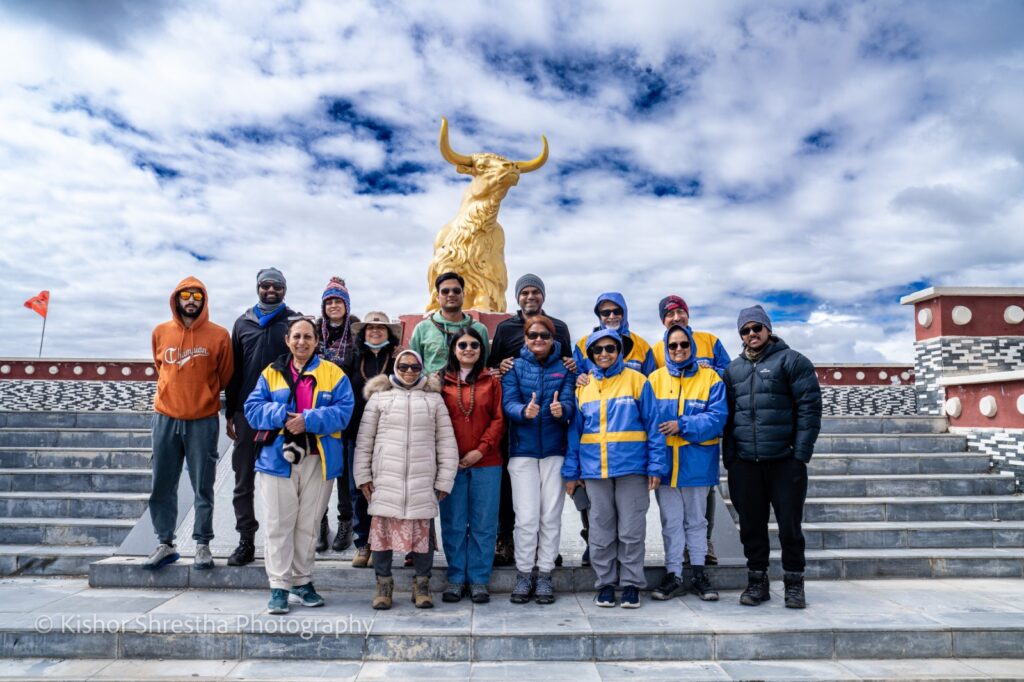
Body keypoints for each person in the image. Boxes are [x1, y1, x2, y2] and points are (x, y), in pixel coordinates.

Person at [243, 316, 355, 615]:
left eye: (308, 337)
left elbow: (344, 413)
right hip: (276, 459)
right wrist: (282, 416)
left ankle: (303, 582)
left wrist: (309, 420)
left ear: (317, 341)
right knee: (279, 524)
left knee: (308, 525)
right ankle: (279, 586)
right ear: (287, 340)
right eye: (296, 337)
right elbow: (252, 409)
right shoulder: (271, 373)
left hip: (319, 459)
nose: (302, 342)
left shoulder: (334, 374)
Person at [723, 305, 822, 609]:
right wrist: (731, 460)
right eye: (745, 330)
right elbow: (727, 417)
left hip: (784, 461)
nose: (751, 334)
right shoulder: (733, 370)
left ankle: (794, 584)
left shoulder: (792, 361)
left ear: (768, 328)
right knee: (751, 526)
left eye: (756, 328)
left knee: (789, 526)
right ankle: (757, 582)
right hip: (745, 463)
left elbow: (810, 408)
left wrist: (800, 455)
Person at [563, 329, 665, 609]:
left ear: (620, 351)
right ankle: (605, 583)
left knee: (631, 529)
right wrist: (572, 473)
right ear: (591, 355)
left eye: (610, 348)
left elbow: (654, 426)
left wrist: (656, 464)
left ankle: (631, 584)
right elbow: (575, 434)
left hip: (632, 468)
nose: (604, 354)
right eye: (598, 350)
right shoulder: (582, 386)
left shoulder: (638, 381)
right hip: (595, 471)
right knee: (600, 530)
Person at [354, 349, 458, 610]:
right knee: (381, 537)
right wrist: (363, 475)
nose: (409, 371)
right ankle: (384, 586)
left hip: (422, 479)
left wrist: (445, 480)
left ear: (421, 369)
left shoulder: (433, 400)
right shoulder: (379, 398)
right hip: (386, 478)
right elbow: (364, 441)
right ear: (395, 368)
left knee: (422, 538)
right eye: (403, 367)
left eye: (414, 367)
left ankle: (421, 585)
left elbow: (446, 443)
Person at [143, 277, 233, 571]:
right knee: (162, 484)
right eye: (186, 295)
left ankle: (202, 544)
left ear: (204, 299)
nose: (191, 300)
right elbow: (161, 369)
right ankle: (165, 543)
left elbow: (225, 375)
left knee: (202, 486)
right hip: (166, 417)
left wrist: (202, 395)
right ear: (177, 299)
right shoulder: (160, 332)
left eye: (197, 295)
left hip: (203, 420)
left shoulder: (219, 335)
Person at [487, 273, 575, 567]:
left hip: (551, 425)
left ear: (543, 296)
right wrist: (500, 366)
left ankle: (546, 550)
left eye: (535, 292)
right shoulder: (505, 328)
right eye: (524, 292)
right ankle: (506, 540)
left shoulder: (559, 327)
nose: (530, 297)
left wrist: (572, 368)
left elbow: (568, 366)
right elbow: (493, 365)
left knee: (549, 504)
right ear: (517, 297)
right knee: (512, 489)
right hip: (517, 421)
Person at [648, 325, 728, 602]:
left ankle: (698, 573)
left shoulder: (711, 378)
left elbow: (717, 418)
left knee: (696, 521)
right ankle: (674, 574)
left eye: (684, 344)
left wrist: (681, 425)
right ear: (666, 348)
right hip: (666, 465)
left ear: (692, 346)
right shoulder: (654, 379)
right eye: (673, 346)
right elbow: (649, 424)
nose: (679, 350)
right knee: (670, 522)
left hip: (697, 464)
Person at [224, 267, 296, 566]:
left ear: (284, 290)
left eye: (276, 286)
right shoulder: (243, 323)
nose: (271, 290)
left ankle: (287, 541)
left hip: (282, 411)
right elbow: (235, 369)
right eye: (265, 285)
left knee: (288, 477)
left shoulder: (293, 321)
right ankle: (245, 540)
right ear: (258, 288)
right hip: (246, 413)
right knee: (243, 479)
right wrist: (230, 411)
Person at [502, 315, 576, 604]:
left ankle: (544, 574)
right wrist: (523, 411)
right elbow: (508, 402)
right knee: (527, 518)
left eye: (544, 336)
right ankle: (523, 573)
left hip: (554, 452)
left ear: (553, 338)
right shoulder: (515, 367)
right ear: (525, 338)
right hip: (523, 452)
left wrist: (563, 410)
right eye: (533, 335)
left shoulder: (565, 368)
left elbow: (570, 402)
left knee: (550, 517)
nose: (538, 340)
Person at [438, 328, 505, 604]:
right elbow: (435, 422)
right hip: (451, 464)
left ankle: (478, 579)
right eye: (462, 344)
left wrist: (481, 450)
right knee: (453, 522)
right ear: (453, 349)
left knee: (484, 522)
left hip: (487, 462)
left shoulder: (492, 381)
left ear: (481, 350)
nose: (468, 349)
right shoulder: (441, 382)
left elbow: (499, 419)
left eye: (474, 345)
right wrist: (450, 455)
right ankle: (455, 578)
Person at [342, 311, 402, 568]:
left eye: (381, 328)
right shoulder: (353, 360)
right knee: (359, 489)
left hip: (391, 435)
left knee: (388, 490)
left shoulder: (399, 361)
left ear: (388, 334)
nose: (375, 332)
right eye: (370, 328)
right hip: (358, 432)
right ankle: (363, 542)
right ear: (363, 333)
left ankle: (384, 543)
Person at [314, 277, 360, 554]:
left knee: (343, 472)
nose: (333, 305)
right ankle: (320, 523)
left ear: (346, 304)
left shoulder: (355, 333)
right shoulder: (314, 332)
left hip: (346, 413)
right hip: (317, 412)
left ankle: (346, 523)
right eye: (329, 301)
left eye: (338, 301)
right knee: (317, 473)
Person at [409, 271, 490, 373]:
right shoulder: (422, 328)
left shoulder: (479, 329)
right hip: (431, 387)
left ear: (463, 295)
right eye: (445, 291)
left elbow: (484, 365)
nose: (451, 294)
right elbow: (414, 366)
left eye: (456, 291)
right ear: (438, 297)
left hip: (469, 387)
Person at [573, 292, 655, 376]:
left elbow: (651, 381)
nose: (612, 316)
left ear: (624, 313)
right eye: (606, 313)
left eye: (617, 311)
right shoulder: (581, 345)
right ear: (599, 315)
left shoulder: (643, 346)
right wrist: (579, 378)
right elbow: (574, 377)